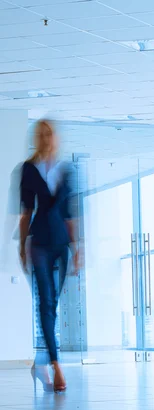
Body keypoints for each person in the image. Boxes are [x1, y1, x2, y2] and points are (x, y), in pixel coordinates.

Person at [19, 119, 80, 393]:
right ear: (37, 138)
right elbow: (25, 211)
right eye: (41, 134)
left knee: (53, 304)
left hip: (61, 244)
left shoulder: (67, 171)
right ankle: (56, 365)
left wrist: (77, 249)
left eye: (49, 134)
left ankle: (41, 361)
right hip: (40, 243)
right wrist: (22, 246)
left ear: (55, 138)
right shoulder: (29, 170)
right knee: (45, 302)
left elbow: (70, 213)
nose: (45, 138)